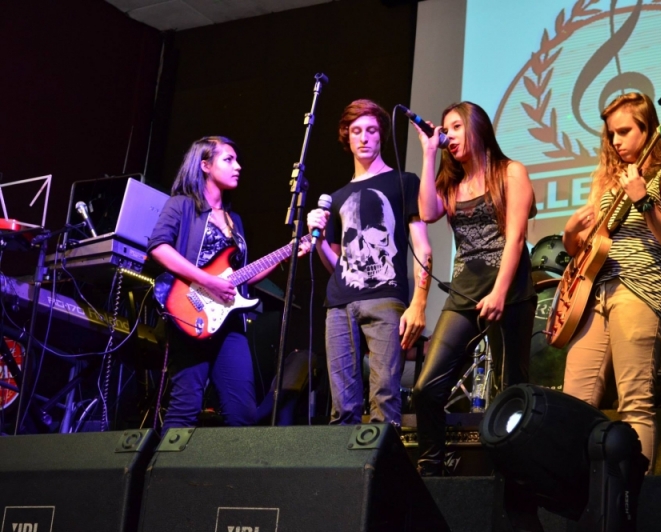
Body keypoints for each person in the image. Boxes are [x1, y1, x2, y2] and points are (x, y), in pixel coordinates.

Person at [561, 92, 661, 472]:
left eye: (623, 131)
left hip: (639, 291)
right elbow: (584, 249)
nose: (615, 141)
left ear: (648, 129)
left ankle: (640, 504)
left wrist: (644, 202)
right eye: (610, 134)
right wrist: (570, 234)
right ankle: (582, 499)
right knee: (574, 403)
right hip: (593, 295)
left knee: (635, 403)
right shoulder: (606, 181)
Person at [148, 136, 306, 429]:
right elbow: (158, 247)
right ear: (205, 165)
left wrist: (287, 254)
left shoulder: (236, 220)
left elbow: (240, 276)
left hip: (230, 323)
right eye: (229, 160)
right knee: (184, 408)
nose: (238, 167)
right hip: (189, 314)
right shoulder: (182, 205)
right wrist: (207, 281)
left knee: (242, 414)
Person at [413, 101, 535, 476]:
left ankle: (512, 472)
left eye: (455, 127)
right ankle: (431, 468)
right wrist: (429, 153)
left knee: (511, 388)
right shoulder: (451, 183)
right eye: (444, 129)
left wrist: (499, 292)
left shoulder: (510, 171)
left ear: (476, 128)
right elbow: (427, 212)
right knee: (426, 388)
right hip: (465, 291)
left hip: (510, 290)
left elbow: (515, 238)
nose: (448, 135)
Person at [306, 99, 432, 427]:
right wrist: (317, 239)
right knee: (341, 407)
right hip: (339, 303)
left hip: (386, 298)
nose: (363, 137)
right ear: (346, 138)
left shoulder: (404, 183)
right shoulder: (336, 197)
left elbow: (423, 247)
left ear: (381, 137)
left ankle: (379, 474)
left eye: (371, 131)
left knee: (386, 398)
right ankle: (340, 475)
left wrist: (419, 302)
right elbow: (337, 263)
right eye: (356, 131)